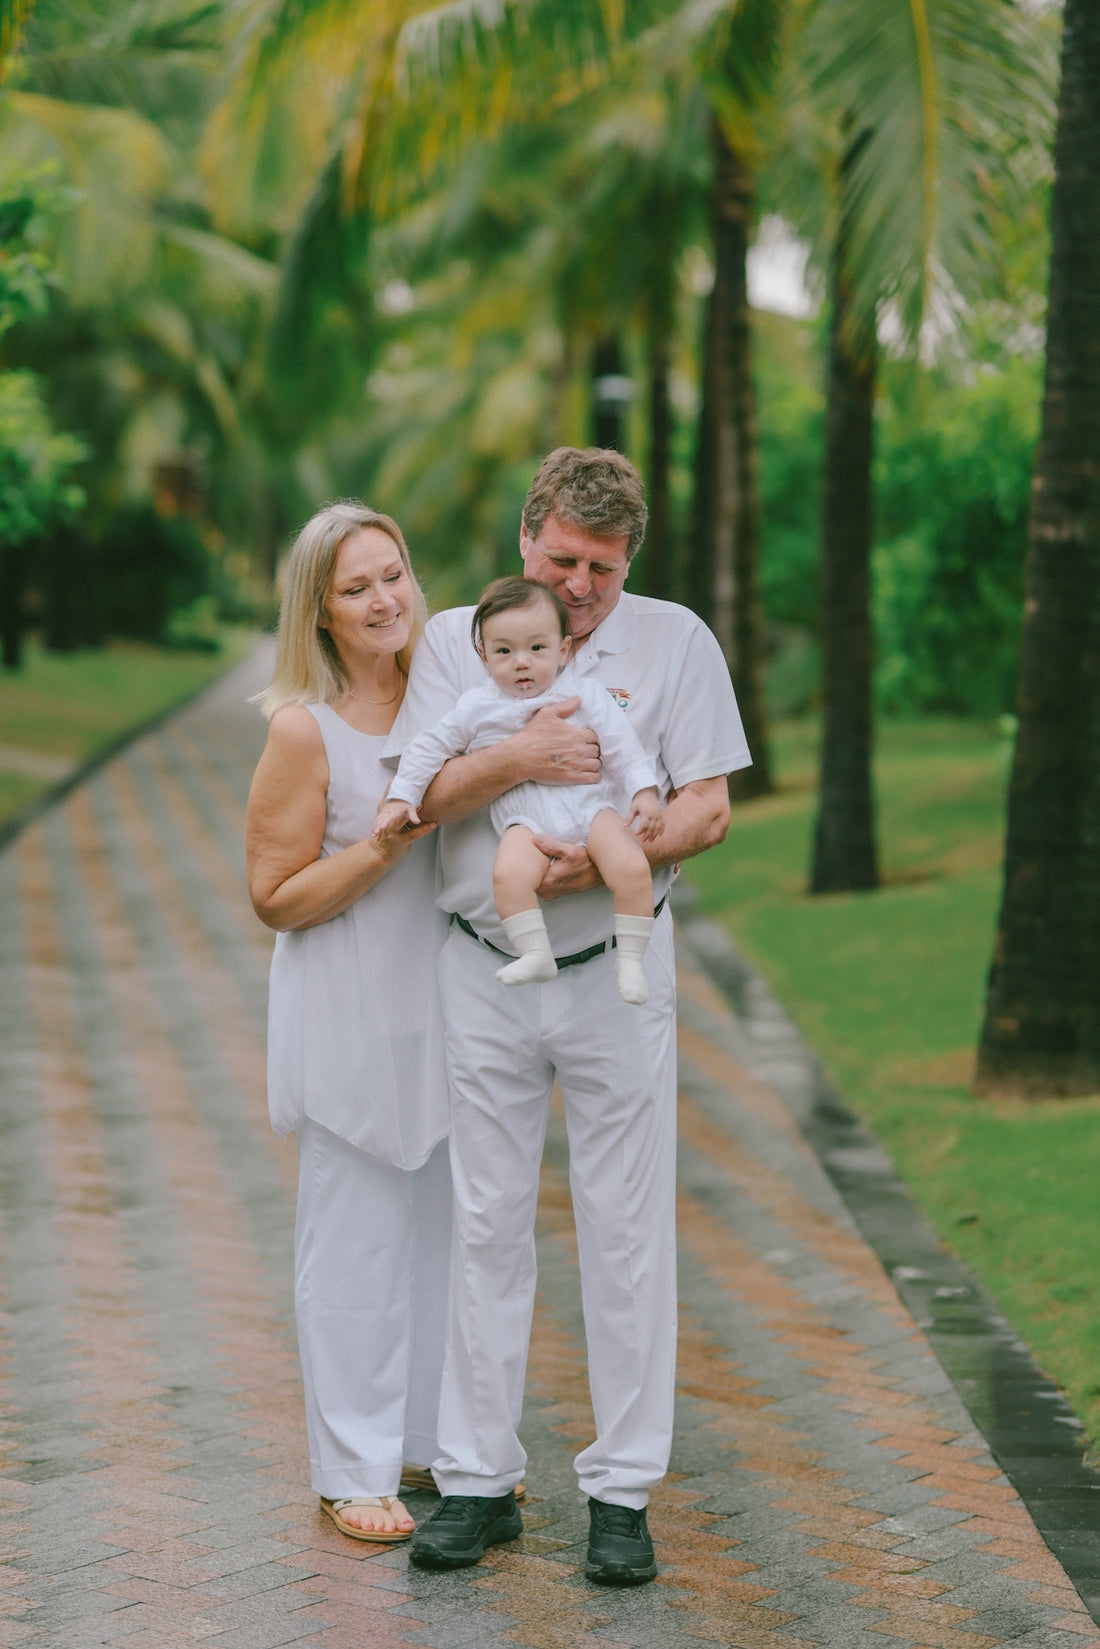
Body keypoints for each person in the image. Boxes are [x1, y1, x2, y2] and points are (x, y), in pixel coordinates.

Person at [385, 448, 751, 1584]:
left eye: (600, 565)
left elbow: (706, 805)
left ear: (627, 558)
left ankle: (621, 1492)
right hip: (481, 966)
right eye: (560, 559)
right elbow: (420, 790)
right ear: (525, 533)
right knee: (485, 1218)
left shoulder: (674, 639)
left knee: (626, 1227)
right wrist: (522, 758)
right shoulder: (457, 635)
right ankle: (477, 1480)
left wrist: (593, 869)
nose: (579, 585)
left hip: (611, 969)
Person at [245, 501, 450, 1545]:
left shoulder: (454, 699)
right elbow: (273, 894)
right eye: (356, 586)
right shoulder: (302, 727)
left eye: (394, 574)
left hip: (451, 1006)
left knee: (446, 1238)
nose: (384, 599)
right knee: (356, 1239)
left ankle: (434, 1445)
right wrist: (379, 849)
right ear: (319, 612)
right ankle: (350, 1468)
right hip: (347, 1002)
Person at [374, 575, 663, 1004]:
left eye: (537, 648)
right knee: (507, 875)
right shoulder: (477, 706)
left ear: (563, 650)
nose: (521, 662)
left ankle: (632, 961)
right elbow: (428, 747)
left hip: (591, 810)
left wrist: (644, 791)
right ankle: (534, 952)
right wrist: (402, 796)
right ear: (484, 656)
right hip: (523, 820)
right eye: (504, 651)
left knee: (632, 867)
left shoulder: (584, 695)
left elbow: (623, 746)